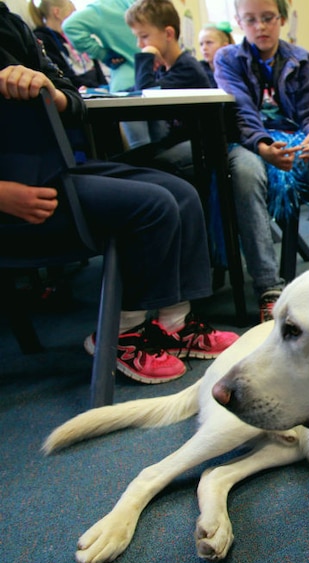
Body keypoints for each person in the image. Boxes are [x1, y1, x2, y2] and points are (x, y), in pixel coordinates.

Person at [0, 1, 238, 384]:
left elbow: (70, 96)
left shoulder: (11, 24)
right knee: (153, 205)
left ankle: (174, 325)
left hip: (56, 169)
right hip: (18, 194)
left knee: (180, 192)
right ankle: (121, 334)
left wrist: (49, 90)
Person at [214, 0, 309, 323]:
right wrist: (263, 145)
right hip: (251, 143)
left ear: (281, 19)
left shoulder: (301, 58)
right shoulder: (227, 59)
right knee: (243, 172)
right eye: (250, 20)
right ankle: (269, 286)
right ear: (239, 22)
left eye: (267, 19)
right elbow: (241, 112)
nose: (260, 27)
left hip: (297, 140)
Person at [123, 0, 210, 180]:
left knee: (139, 167)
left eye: (144, 36)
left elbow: (144, 94)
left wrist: (145, 56)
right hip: (172, 142)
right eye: (137, 37)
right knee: (122, 161)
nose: (140, 44)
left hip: (199, 146)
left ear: (168, 33)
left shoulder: (187, 69)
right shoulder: (164, 69)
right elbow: (133, 91)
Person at [62, 0, 150, 147]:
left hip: (126, 83)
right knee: (162, 144)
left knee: (142, 148)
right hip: (153, 80)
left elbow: (70, 25)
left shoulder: (104, 8)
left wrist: (102, 54)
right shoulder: (148, 6)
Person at [28, 0, 107, 88]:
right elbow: (62, 74)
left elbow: (95, 65)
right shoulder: (43, 39)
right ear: (57, 12)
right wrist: (94, 88)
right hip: (78, 92)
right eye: (73, 13)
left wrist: (104, 87)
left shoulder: (73, 36)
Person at [198, 22, 233, 88]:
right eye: (201, 44)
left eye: (209, 43)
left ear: (224, 46)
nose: (204, 48)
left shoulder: (235, 68)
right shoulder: (198, 69)